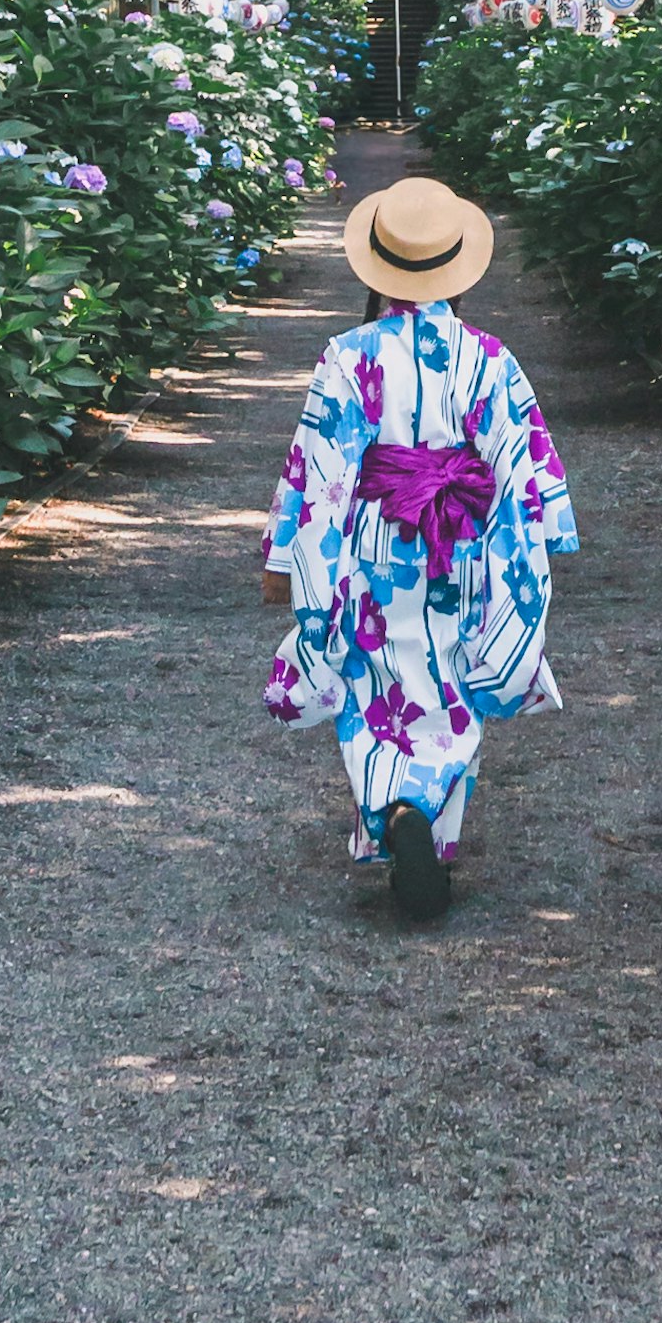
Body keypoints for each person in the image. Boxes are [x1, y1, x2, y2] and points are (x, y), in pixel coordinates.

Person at [259, 173, 576, 921]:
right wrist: (537, 540)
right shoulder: (491, 359)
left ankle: (391, 810)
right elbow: (520, 465)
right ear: (457, 265)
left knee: (377, 689)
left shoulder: (349, 356)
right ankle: (432, 821)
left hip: (374, 546)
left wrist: (290, 562)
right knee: (450, 686)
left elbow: (320, 469)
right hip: (460, 544)